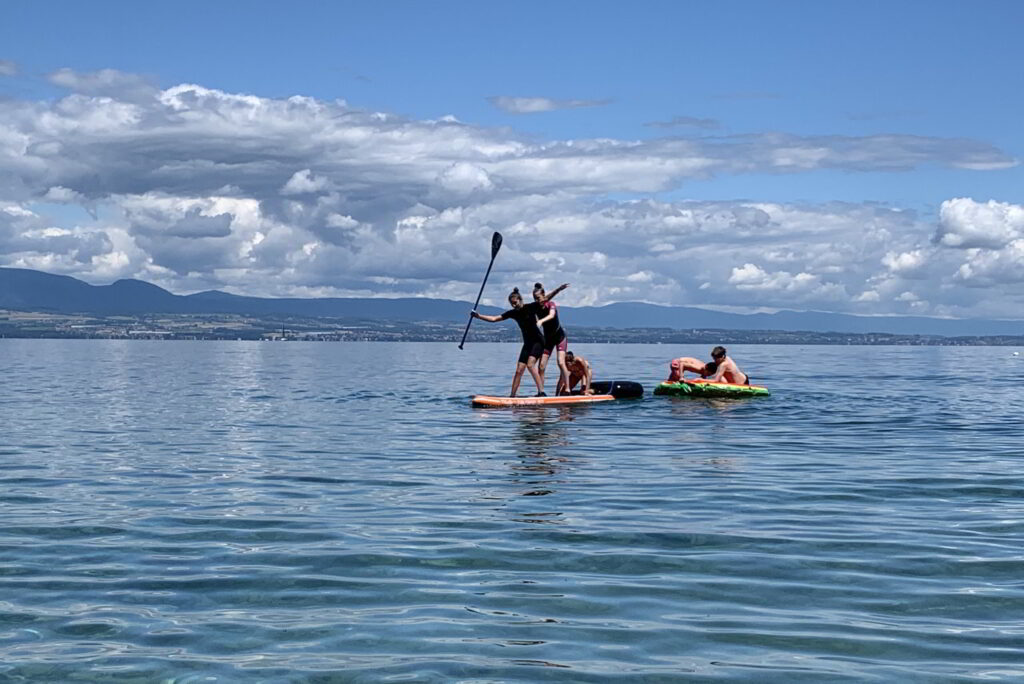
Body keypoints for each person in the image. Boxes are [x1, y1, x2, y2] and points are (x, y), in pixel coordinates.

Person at [471, 288, 547, 397]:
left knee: (530, 365)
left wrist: (558, 289)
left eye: (515, 303)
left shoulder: (531, 307)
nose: (514, 306)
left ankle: (541, 392)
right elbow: (494, 319)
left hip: (538, 341)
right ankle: (512, 396)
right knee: (519, 370)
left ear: (520, 299)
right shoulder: (513, 313)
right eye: (512, 304)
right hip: (528, 344)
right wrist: (478, 316)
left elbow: (545, 299)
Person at [532, 282, 571, 394]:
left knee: (560, 362)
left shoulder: (551, 304)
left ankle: (567, 389)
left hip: (560, 338)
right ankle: (541, 391)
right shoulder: (536, 307)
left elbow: (551, 315)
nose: (536, 300)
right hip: (548, 339)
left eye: (538, 298)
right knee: (541, 366)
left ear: (543, 296)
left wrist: (541, 321)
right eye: (534, 298)